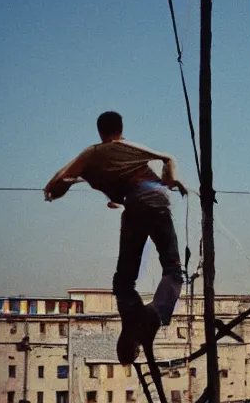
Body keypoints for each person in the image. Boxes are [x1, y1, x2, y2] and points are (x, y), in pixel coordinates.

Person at [44, 111, 187, 365]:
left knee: (124, 281)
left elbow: (64, 176)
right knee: (173, 269)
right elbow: (165, 168)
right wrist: (174, 181)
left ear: (100, 132)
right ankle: (153, 316)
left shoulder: (95, 152)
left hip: (137, 202)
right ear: (121, 129)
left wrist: (52, 191)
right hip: (157, 199)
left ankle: (134, 323)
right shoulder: (130, 151)